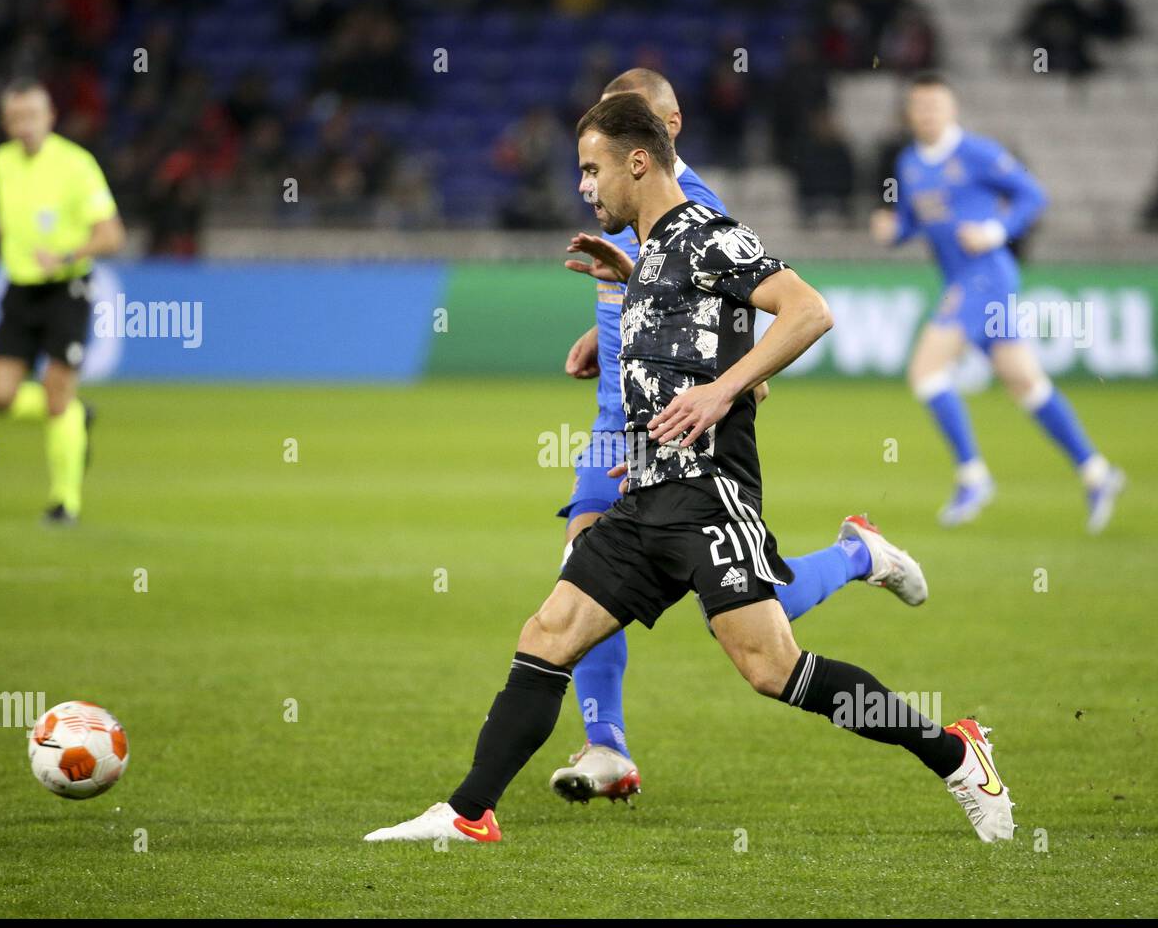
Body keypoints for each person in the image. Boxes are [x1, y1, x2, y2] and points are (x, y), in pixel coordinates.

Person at [364, 93, 1014, 846]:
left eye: (591, 168)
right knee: (550, 630)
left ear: (637, 161)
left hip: (710, 498)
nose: (584, 185)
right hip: (645, 496)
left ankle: (957, 751)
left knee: (772, 668)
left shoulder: (708, 234)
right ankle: (468, 811)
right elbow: (693, 322)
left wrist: (723, 389)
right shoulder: (650, 251)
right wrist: (623, 290)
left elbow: (807, 310)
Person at [552, 68, 925, 805]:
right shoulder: (619, 196)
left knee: (752, 620)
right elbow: (648, 299)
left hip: (676, 437)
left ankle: (858, 553)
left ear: (666, 131)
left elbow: (749, 357)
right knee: (579, 565)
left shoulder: (701, 211)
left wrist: (720, 389)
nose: (592, 177)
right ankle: (608, 745)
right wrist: (607, 331)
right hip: (613, 421)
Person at [870, 72, 1124, 532]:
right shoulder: (909, 162)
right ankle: (1097, 472)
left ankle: (973, 476)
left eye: (936, 106)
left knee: (925, 370)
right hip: (964, 280)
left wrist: (995, 231)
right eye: (920, 107)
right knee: (1025, 381)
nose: (927, 114)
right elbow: (915, 221)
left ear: (952, 110)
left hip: (987, 276)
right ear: (910, 114)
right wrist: (894, 232)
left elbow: (1034, 195)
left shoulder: (978, 153)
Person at [0, 79, 125, 524]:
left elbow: (112, 235)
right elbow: (9, 221)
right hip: (20, 291)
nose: (24, 126)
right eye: (15, 118)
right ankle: (75, 412)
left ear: (50, 117)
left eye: (32, 116)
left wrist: (67, 255)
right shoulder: (1, 161)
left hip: (66, 290)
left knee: (55, 397)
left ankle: (64, 502)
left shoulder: (77, 165)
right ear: (5, 122)